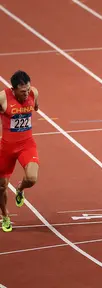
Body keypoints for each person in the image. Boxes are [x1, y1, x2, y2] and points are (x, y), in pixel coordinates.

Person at [0, 70, 40, 232]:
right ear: (13, 89)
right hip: (6, 148)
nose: (26, 94)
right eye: (22, 92)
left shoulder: (34, 93)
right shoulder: (3, 98)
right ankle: (5, 217)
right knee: (1, 187)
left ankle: (20, 189)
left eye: (28, 90)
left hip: (27, 145)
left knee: (31, 179)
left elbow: (35, 107)